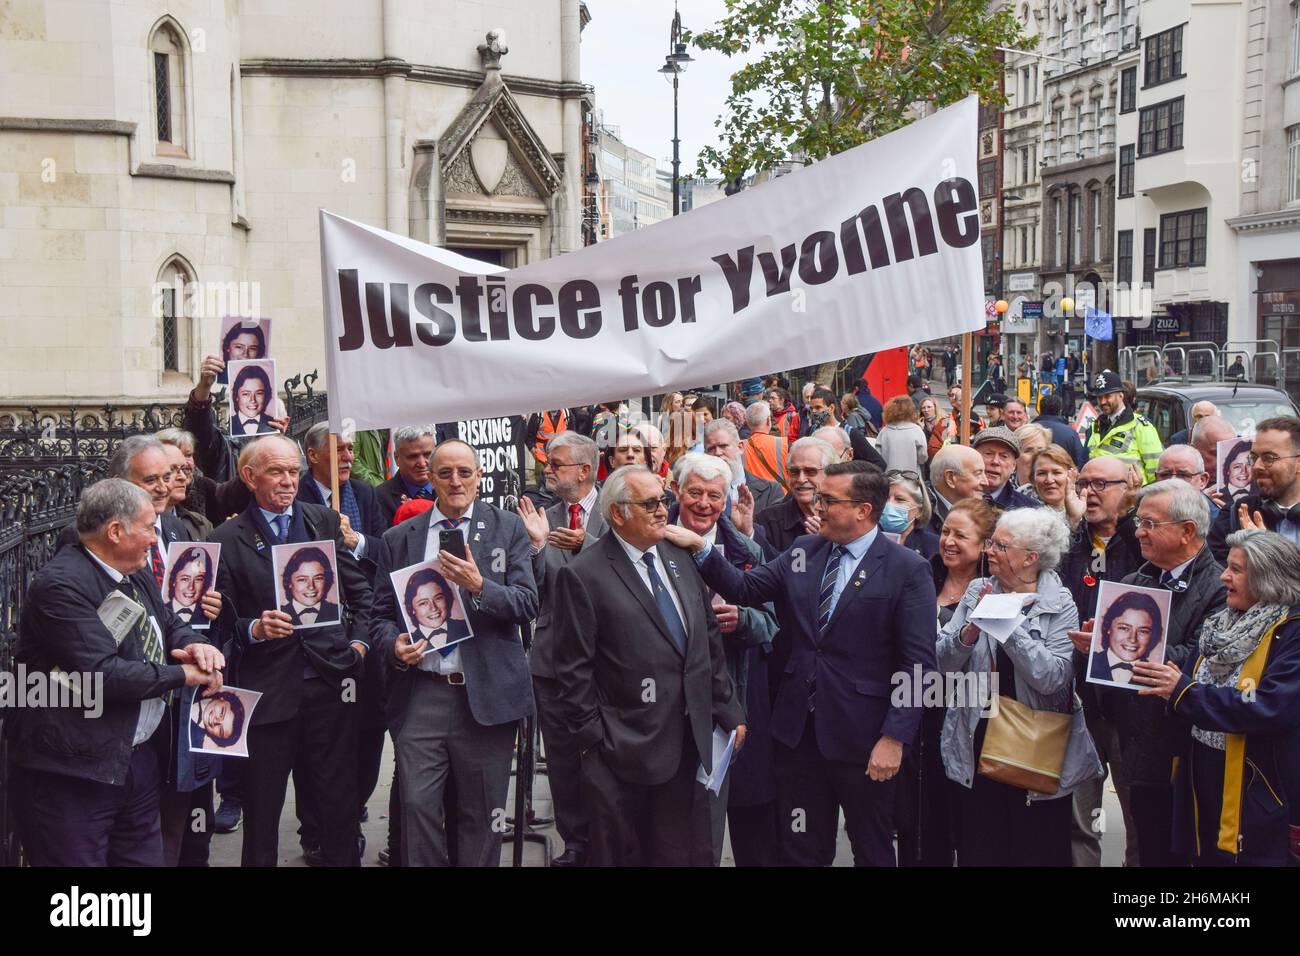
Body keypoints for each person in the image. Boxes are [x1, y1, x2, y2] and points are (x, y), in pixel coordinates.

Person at [670, 461, 938, 866]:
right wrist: (700, 547)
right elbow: (745, 586)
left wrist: (894, 739)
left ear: (863, 510)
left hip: (865, 739)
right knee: (801, 847)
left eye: (828, 500)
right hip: (799, 736)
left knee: (872, 847)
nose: (817, 506)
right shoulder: (805, 552)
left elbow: (919, 666)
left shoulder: (907, 569)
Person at [10, 479, 224, 866]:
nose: (153, 537)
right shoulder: (61, 585)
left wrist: (195, 642)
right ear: (115, 531)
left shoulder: (133, 569)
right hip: (75, 770)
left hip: (135, 760)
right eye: (148, 527)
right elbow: (102, 674)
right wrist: (183, 675)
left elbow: (168, 619)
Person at [550, 466, 745, 866]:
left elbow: (706, 643)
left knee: (684, 852)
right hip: (625, 752)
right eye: (651, 503)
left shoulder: (679, 556)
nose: (663, 511)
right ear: (618, 514)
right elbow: (572, 671)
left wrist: (729, 710)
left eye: (664, 501)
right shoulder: (583, 575)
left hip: (691, 743)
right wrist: (596, 743)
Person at [369, 439, 536, 867]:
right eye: (445, 473)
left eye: (464, 472)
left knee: (482, 817)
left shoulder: (507, 529)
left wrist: (481, 587)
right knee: (418, 809)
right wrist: (393, 645)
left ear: (479, 477)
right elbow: (379, 617)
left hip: (487, 695)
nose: (455, 481)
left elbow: (526, 603)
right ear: (432, 479)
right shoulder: (398, 537)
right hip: (423, 693)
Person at [209, 435, 373, 867]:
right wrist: (255, 630)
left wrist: (357, 645)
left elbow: (361, 592)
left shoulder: (321, 520)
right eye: (276, 472)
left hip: (331, 683)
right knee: (262, 810)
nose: (288, 481)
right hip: (268, 693)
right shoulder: (226, 537)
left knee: (338, 804)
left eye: (293, 472)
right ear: (249, 476)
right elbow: (218, 621)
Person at [937, 508, 1102, 866]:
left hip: (1036, 744)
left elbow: (1053, 678)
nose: (989, 550)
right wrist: (969, 631)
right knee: (980, 848)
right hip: (977, 736)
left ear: (1030, 558)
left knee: (1036, 848)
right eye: (991, 542)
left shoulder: (1060, 603)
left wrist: (1008, 627)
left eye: (1000, 544)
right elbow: (943, 663)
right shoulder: (978, 590)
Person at [1135, 530, 1300, 866]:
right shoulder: (1220, 624)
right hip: (1202, 775)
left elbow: (1269, 707)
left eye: (1236, 570)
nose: (1224, 576)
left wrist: (1184, 692)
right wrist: (1107, 649)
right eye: (1227, 566)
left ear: (1269, 578)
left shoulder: (1292, 632)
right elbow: (1184, 675)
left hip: (1256, 789)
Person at [1094, 478, 1225, 866]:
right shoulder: (1136, 581)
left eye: (1151, 524)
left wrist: (1123, 651)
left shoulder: (1219, 586)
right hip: (1140, 748)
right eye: (1140, 522)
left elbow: (1202, 657)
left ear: (1187, 531)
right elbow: (1109, 676)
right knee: (1150, 849)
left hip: (1189, 753)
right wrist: (1097, 648)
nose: (1139, 532)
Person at [667, 454, 780, 866]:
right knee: (684, 828)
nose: (703, 503)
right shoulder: (654, 542)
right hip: (670, 709)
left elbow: (772, 624)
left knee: (748, 818)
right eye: (694, 492)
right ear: (676, 491)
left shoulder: (747, 548)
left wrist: (743, 618)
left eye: (714, 495)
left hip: (737, 704)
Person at [516, 432, 605, 868]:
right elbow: (528, 592)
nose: (547, 470)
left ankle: (611, 838)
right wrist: (536, 545)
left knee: (607, 756)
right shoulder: (542, 518)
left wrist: (586, 545)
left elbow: (634, 566)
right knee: (565, 761)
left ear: (585, 471)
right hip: (552, 661)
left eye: (557, 464)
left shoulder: (618, 509)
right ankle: (575, 842)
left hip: (610, 659)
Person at [897, 497, 996, 866]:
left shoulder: (996, 588)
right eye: (946, 532)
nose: (949, 541)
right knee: (919, 820)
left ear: (986, 544)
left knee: (968, 819)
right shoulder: (922, 573)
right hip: (917, 707)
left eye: (961, 535)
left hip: (973, 715)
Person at [1056, 455, 1143, 866]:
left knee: (1138, 819)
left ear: (1128, 487)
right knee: (1080, 818)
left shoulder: (1142, 541)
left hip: (1132, 702)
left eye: (1099, 485)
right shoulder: (1072, 543)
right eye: (1083, 485)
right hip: (1080, 700)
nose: (1088, 493)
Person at [1209, 416, 1300, 558]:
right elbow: (1218, 573)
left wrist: (1271, 552)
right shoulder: (1235, 514)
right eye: (1253, 457)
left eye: (1269, 458)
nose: (1256, 466)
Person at [296, 422, 384, 561]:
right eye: (338, 449)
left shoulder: (365, 493)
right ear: (313, 456)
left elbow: (385, 549)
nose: (348, 457)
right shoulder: (295, 497)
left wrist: (357, 541)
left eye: (350, 449)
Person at [753, 437, 835, 558]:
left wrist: (830, 541)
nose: (801, 479)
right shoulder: (768, 521)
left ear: (829, 474)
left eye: (810, 471)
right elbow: (766, 570)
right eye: (794, 472)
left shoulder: (845, 518)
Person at [1084, 369, 1163, 483]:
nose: (1102, 402)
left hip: (1131, 497)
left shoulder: (1141, 426)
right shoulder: (1096, 425)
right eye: (1099, 397)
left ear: (1121, 396)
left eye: (1107, 396)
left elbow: (1156, 470)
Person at [701, 418, 782, 514]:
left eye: (723, 446)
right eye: (711, 449)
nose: (718, 453)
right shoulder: (697, 494)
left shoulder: (770, 491)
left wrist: (748, 529)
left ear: (740, 447)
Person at [1086, 591, 1164, 684]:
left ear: (1153, 635)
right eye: (1124, 628)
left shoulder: (1157, 675)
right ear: (1108, 627)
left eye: (1143, 631)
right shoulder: (1088, 660)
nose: (1132, 639)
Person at [375, 426, 436, 528]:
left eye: (428, 455)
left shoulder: (451, 489)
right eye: (413, 456)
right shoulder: (379, 498)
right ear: (396, 458)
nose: (422, 463)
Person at [973, 426, 1042, 511]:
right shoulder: (955, 497)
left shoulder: (1030, 509)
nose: (995, 462)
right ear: (974, 457)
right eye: (988, 453)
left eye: (1004, 456)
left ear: (1014, 466)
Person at [926, 443, 987, 534]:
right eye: (978, 474)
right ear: (950, 478)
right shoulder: (920, 518)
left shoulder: (986, 511)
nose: (986, 482)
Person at [1155, 444, 1220, 523]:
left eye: (1183, 475)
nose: (1173, 482)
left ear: (1202, 480)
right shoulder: (1144, 513)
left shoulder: (1219, 524)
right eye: (1165, 475)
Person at [278, 545, 341, 626]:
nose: (311, 586)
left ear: (326, 580)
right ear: (289, 582)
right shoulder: (277, 614)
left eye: (318, 578)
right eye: (302, 579)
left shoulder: (337, 611)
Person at [884, 469, 939, 559]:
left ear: (919, 511)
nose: (889, 504)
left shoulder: (933, 546)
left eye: (900, 499)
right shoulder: (866, 538)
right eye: (885, 498)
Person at [1032, 444, 1085, 529]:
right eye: (1041, 473)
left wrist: (1074, 521)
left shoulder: (1087, 510)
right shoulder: (1021, 510)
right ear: (1033, 478)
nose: (1049, 480)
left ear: (1072, 475)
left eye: (1057, 472)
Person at [742, 400, 788, 487]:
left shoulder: (739, 447)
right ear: (768, 420)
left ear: (747, 423)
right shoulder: (784, 443)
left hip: (753, 496)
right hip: (781, 496)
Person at [878, 396, 928, 474]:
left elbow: (878, 455)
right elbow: (922, 457)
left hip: (889, 476)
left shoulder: (884, 431)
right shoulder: (916, 430)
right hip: (911, 476)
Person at [1035, 394, 1087, 467]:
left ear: (1040, 409)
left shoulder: (1029, 430)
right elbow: (1080, 461)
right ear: (1060, 410)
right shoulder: (1070, 433)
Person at [1191, 414, 1237, 494]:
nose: (1225, 462)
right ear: (1194, 450)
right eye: (1217, 453)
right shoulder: (1178, 480)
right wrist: (1204, 501)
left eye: (1230, 454)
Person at [167, 546, 213, 626]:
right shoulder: (160, 610)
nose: (191, 587)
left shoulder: (209, 614)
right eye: (185, 579)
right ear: (174, 580)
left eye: (198, 579)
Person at [229, 363, 276, 437]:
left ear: (266, 395)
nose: (252, 400)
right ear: (236, 397)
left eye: (259, 393)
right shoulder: (227, 424)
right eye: (246, 394)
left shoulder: (274, 424)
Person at [1013, 423, 1052, 494]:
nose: (1036, 456)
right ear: (1014, 456)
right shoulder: (1000, 489)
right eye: (1028, 450)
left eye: (1041, 450)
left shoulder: (1057, 491)